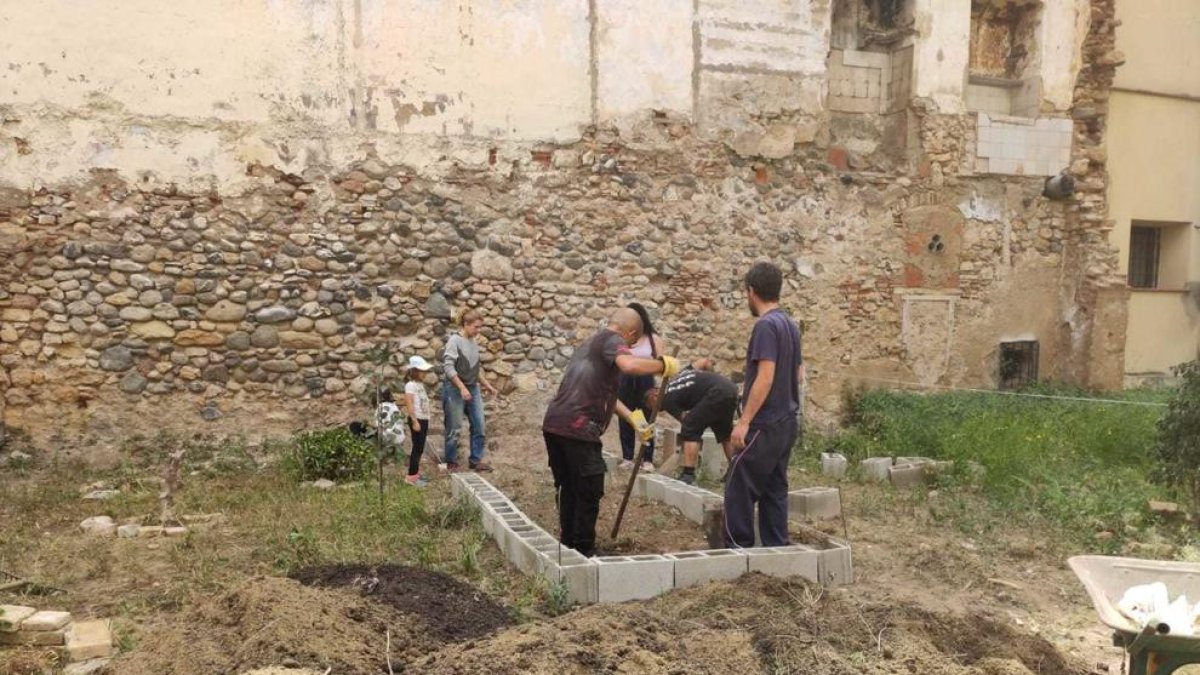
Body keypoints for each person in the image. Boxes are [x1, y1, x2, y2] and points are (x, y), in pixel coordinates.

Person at [542, 308, 681, 556]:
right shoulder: (612, 340)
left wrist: (635, 420)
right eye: (632, 342)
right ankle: (584, 551)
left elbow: (607, 395)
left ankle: (568, 546)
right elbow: (629, 365)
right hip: (578, 427)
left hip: (555, 424)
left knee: (570, 487)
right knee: (589, 486)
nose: (629, 346)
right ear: (631, 333)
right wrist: (661, 365)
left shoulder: (589, 346)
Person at [725, 262, 803, 549]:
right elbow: (799, 373)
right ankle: (776, 548)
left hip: (766, 422)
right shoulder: (790, 325)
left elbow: (765, 376)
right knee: (774, 489)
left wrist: (744, 421)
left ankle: (738, 549)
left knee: (738, 484)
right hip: (787, 420)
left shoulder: (766, 326)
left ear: (751, 291)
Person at [644, 358, 738, 485]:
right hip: (729, 388)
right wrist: (711, 378)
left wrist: (693, 433)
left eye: (652, 406)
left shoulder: (666, 398)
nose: (657, 410)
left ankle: (688, 475)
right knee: (725, 434)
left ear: (654, 395)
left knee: (689, 429)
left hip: (715, 393)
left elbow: (685, 420)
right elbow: (704, 362)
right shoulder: (680, 376)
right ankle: (736, 470)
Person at [442, 309, 499, 473]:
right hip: (454, 388)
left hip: (473, 387)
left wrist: (487, 385)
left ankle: (475, 460)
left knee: (479, 424)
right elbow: (448, 367)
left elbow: (475, 369)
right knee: (454, 426)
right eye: (476, 327)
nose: (478, 331)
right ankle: (451, 461)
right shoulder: (454, 340)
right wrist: (461, 388)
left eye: (480, 327)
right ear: (465, 325)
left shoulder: (474, 343)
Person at [616, 302, 665, 472]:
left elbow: (661, 363)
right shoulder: (623, 338)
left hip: (645, 381)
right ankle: (628, 456)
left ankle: (647, 458)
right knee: (627, 418)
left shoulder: (653, 339)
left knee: (646, 417)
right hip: (625, 380)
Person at [403, 355, 435, 487]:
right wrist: (414, 420)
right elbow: (409, 404)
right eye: (422, 371)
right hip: (417, 420)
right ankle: (411, 478)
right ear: (415, 371)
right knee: (417, 449)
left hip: (423, 419)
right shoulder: (410, 385)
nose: (425, 373)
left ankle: (415, 474)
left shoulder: (419, 385)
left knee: (420, 448)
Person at [375, 388, 407, 464]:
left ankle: (386, 456)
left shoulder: (380, 408)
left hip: (389, 439)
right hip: (400, 438)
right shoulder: (394, 407)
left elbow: (379, 424)